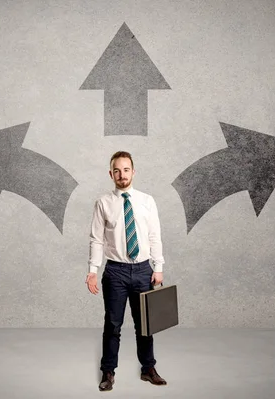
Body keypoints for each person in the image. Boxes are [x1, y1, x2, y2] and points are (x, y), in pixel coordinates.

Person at [85, 151, 167, 391]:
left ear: (133, 171)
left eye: (126, 169)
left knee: (145, 325)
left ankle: (148, 369)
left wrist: (158, 267)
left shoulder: (147, 201)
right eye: (117, 171)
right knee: (112, 325)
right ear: (111, 174)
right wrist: (92, 270)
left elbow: (154, 236)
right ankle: (108, 372)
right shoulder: (103, 203)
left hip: (143, 270)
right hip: (115, 272)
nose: (122, 175)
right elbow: (96, 239)